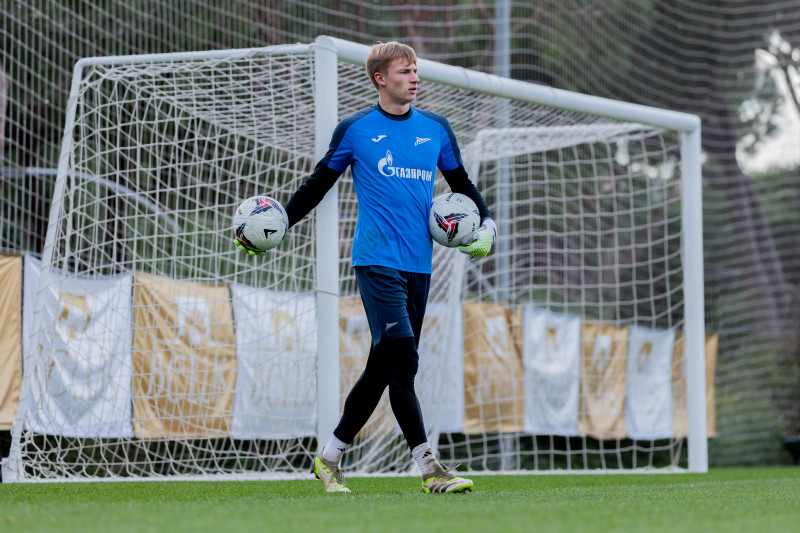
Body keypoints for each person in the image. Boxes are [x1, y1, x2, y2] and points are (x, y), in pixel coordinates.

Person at [238, 41, 496, 493]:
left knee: (383, 369)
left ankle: (330, 458)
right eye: (404, 71)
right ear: (380, 78)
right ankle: (430, 468)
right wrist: (279, 225)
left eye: (416, 71)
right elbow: (318, 183)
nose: (414, 77)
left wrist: (487, 223)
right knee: (405, 361)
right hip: (376, 261)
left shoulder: (436, 129)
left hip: (420, 265)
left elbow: (462, 184)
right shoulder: (356, 130)